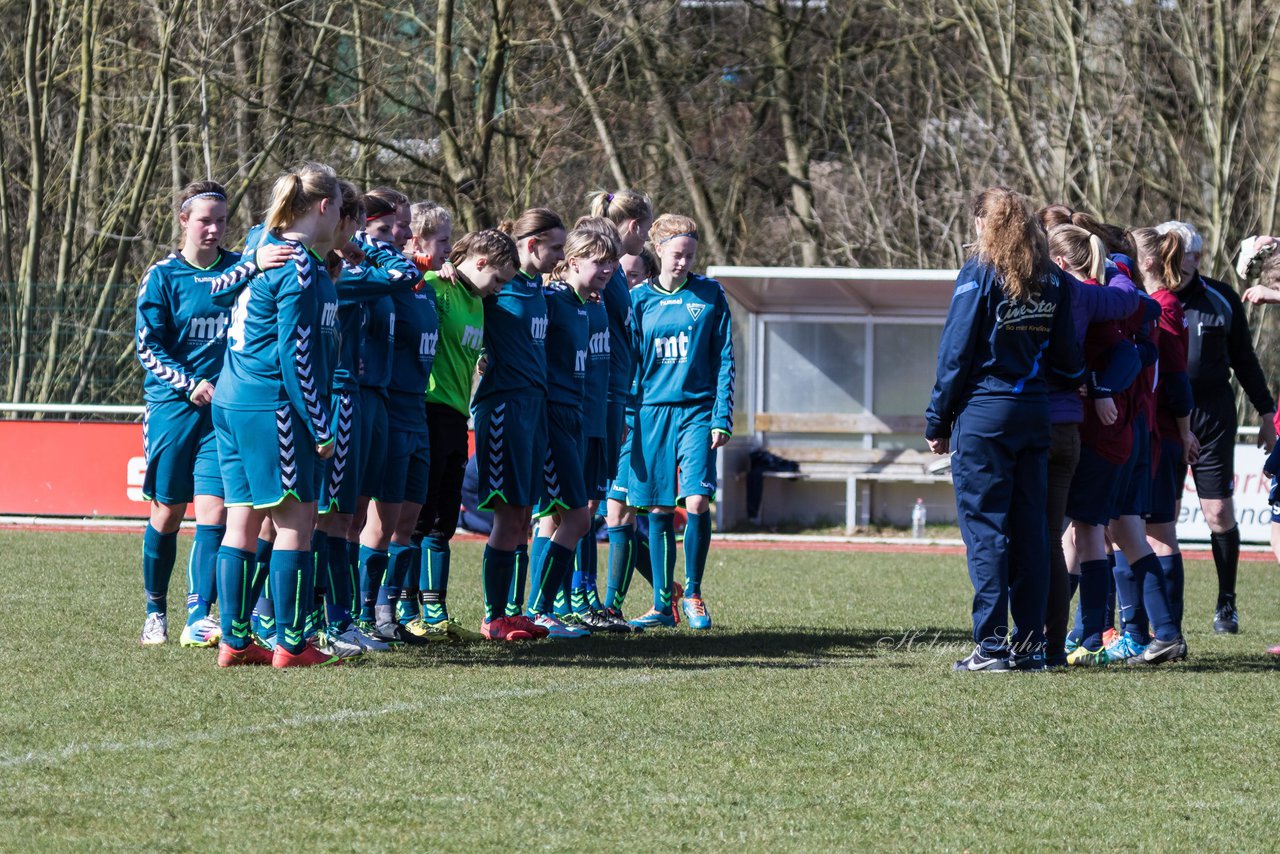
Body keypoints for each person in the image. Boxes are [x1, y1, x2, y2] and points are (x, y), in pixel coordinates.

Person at [926, 187, 1083, 672]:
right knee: (1034, 532)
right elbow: (1068, 361)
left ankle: (991, 647)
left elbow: (956, 352)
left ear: (981, 225)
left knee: (987, 532)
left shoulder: (980, 272)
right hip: (1035, 414)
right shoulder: (1053, 279)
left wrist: (937, 418)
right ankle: (1030, 646)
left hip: (985, 415)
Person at [134, 180, 291, 647]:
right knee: (166, 513)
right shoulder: (162, 276)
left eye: (222, 221)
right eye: (205, 220)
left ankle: (198, 617)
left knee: (215, 513)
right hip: (172, 409)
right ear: (184, 220)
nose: (214, 229)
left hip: (224, 412)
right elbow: (148, 346)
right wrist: (190, 384)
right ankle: (154, 610)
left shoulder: (239, 272)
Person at [210, 162, 343, 668]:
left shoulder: (261, 244)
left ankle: (236, 641)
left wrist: (252, 262)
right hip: (273, 404)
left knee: (240, 523)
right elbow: (296, 354)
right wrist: (321, 424)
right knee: (296, 522)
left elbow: (218, 289)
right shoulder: (301, 264)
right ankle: (291, 643)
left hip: (231, 397)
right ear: (325, 207)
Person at [1034, 208, 1147, 668]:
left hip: (1096, 432)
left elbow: (1134, 349)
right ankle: (1083, 630)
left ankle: (1089, 633)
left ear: (1061, 262)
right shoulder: (1103, 294)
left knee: (1082, 533)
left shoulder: (1080, 295)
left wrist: (1096, 386)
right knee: (1085, 534)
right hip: (1099, 430)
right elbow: (1145, 316)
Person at [1158, 221, 1276, 634]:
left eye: (1200, 251)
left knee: (1219, 512)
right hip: (1164, 417)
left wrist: (1266, 413)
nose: (1199, 258)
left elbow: (1244, 359)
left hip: (1212, 415)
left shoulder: (1220, 297)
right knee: (1161, 516)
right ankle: (1163, 611)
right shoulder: (1150, 296)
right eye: (1192, 251)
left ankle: (1227, 604)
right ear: (1171, 253)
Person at [625, 213, 735, 631]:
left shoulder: (710, 294)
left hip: (696, 412)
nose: (684, 262)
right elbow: (628, 363)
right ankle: (660, 604)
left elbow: (725, 357)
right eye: (677, 254)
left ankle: (693, 591)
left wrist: (721, 416)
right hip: (650, 412)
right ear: (658, 251)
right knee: (656, 506)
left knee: (696, 502)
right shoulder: (638, 300)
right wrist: (625, 413)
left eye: (690, 255)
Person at [525, 227, 620, 636]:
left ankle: (541, 609)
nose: (607, 269)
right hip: (551, 419)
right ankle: (534, 608)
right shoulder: (551, 300)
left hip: (577, 418)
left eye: (611, 263)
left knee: (576, 517)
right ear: (574, 261)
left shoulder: (585, 303)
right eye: (599, 261)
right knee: (566, 516)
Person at [409, 203, 484, 641]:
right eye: (440, 240)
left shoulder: (474, 298)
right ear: (417, 242)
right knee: (418, 515)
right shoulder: (432, 284)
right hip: (426, 407)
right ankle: (402, 606)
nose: (447, 248)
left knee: (445, 517)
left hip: (458, 414)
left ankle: (435, 610)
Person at [1131, 225, 1199, 663]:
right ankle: (1153, 632)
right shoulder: (1157, 304)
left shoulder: (1165, 307)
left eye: (1131, 253)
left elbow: (1176, 377)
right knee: (1140, 533)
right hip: (1160, 435)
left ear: (1150, 262)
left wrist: (1185, 429)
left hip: (1163, 437)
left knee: (1155, 534)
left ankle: (1166, 632)